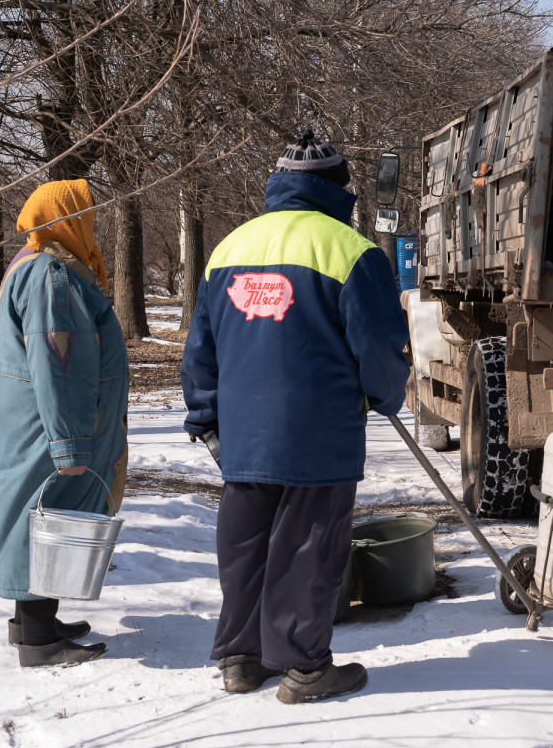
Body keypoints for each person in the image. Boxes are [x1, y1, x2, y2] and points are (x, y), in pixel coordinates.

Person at [181, 131, 409, 704]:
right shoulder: (351, 251)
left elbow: (200, 348)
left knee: (245, 545)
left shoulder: (230, 248)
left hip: (242, 433)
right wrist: (384, 395)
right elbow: (381, 345)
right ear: (340, 189)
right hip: (318, 429)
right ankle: (304, 668)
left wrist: (206, 417)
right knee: (309, 546)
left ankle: (240, 657)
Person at [0, 179, 127, 668]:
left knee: (36, 514)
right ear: (66, 219)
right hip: (53, 425)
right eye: (85, 215)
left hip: (33, 420)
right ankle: (40, 639)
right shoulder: (51, 275)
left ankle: (32, 622)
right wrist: (68, 444)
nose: (91, 225)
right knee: (49, 520)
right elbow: (58, 361)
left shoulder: (32, 264)